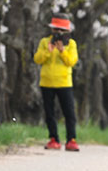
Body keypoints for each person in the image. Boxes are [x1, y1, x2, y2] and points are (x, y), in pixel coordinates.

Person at [34, 15, 79, 152]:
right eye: (56, 30)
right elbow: (37, 59)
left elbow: (71, 61)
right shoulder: (44, 42)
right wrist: (48, 51)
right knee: (49, 113)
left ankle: (71, 139)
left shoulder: (71, 44)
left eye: (62, 30)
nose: (58, 33)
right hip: (47, 82)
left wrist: (62, 51)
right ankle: (53, 138)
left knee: (69, 113)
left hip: (64, 82)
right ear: (52, 30)